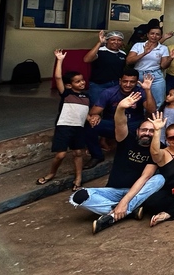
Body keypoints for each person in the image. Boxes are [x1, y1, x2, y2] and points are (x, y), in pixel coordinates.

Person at [69, 92, 166, 234]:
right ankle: (129, 211)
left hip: (138, 192)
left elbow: (145, 177)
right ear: (137, 131)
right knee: (78, 196)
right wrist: (120, 108)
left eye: (152, 131)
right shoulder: (127, 139)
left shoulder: (159, 149)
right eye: (144, 130)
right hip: (113, 191)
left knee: (159, 179)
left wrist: (124, 202)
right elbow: (120, 123)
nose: (147, 133)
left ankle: (117, 212)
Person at [36, 49, 89, 189]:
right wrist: (60, 60)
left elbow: (85, 112)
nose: (82, 83)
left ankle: (78, 178)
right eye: (78, 81)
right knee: (61, 154)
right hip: (64, 126)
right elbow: (58, 78)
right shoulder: (66, 94)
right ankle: (51, 173)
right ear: (69, 85)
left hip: (79, 128)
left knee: (78, 153)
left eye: (82, 80)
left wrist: (91, 117)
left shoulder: (87, 96)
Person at [83, 30, 126, 107]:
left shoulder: (122, 54)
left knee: (112, 107)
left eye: (119, 40)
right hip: (98, 85)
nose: (116, 42)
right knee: (96, 106)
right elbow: (86, 59)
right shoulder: (100, 51)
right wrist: (99, 43)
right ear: (107, 40)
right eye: (113, 39)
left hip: (115, 85)